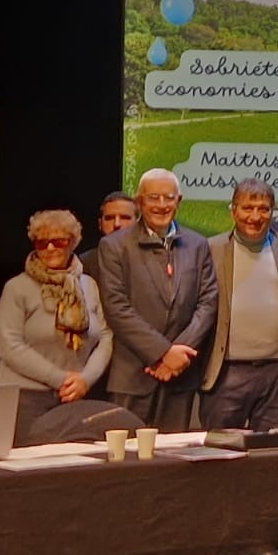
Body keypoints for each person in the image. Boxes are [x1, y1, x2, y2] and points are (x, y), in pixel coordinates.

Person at [96, 168, 218, 431]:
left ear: (179, 200)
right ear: (139, 201)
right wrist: (162, 353)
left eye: (169, 197)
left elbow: (208, 303)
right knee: (128, 454)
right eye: (153, 197)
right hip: (134, 376)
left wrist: (179, 354)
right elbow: (117, 308)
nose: (162, 205)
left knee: (173, 455)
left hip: (180, 376)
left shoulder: (198, 245)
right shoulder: (115, 246)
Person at [0, 209, 113, 436]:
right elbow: (9, 346)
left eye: (59, 241)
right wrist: (60, 379)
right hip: (25, 398)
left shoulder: (88, 285)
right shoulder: (17, 288)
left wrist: (86, 380)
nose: (50, 248)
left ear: (73, 242)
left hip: (74, 396)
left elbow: (105, 337)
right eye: (42, 243)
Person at [201, 179, 278, 433]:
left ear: (273, 212)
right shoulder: (210, 249)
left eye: (264, 209)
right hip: (226, 372)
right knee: (220, 449)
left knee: (271, 451)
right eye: (248, 208)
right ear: (233, 210)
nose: (255, 217)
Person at [79, 191, 137, 282]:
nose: (117, 224)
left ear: (138, 224)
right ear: (100, 224)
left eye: (125, 217)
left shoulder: (151, 259)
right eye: (109, 218)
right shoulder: (84, 263)